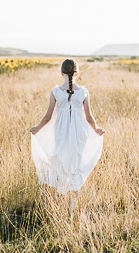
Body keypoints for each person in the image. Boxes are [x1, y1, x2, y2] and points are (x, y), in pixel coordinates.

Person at [29, 59, 105, 208]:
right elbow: (89, 117)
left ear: (61, 73)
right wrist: (96, 130)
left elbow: (48, 116)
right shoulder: (83, 91)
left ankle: (61, 198)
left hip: (61, 133)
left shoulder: (56, 91)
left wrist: (37, 128)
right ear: (77, 73)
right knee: (76, 163)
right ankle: (73, 201)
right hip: (79, 133)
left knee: (61, 161)